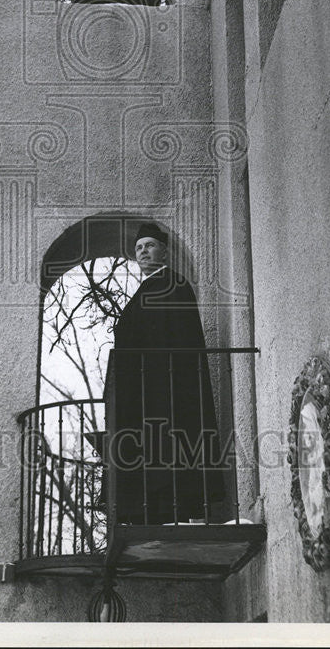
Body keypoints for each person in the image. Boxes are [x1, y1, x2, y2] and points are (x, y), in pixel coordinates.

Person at [110, 222, 225, 524]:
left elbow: (183, 340)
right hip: (144, 394)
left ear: (164, 250)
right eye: (138, 248)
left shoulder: (176, 285)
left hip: (170, 391)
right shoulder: (143, 292)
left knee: (171, 450)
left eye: (149, 245)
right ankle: (150, 511)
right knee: (148, 453)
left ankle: (178, 510)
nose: (143, 252)